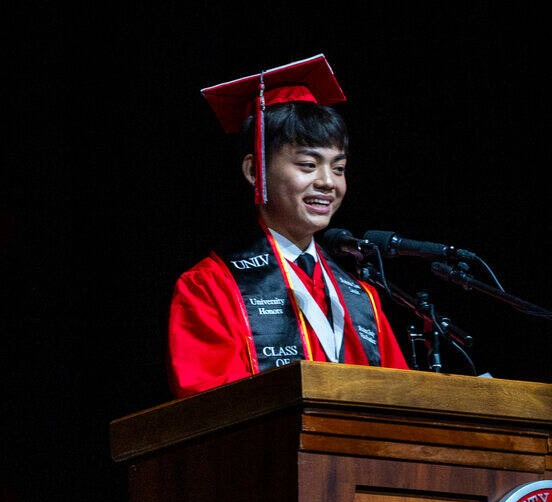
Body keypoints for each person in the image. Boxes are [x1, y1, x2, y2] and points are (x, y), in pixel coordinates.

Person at [168, 55, 408, 398]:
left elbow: (400, 399)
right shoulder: (210, 288)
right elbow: (212, 409)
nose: (327, 182)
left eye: (338, 168)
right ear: (255, 171)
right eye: (308, 164)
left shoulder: (361, 298)